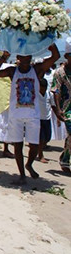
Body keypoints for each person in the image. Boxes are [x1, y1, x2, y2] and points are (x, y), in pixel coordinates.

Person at [0, 44, 60, 184]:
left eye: (28, 56)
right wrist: (4, 57)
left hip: (33, 114)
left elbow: (56, 57)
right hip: (15, 114)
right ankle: (22, 174)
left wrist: (49, 43)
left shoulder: (37, 69)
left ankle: (29, 164)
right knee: (18, 145)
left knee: (34, 144)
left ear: (30, 57)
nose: (25, 59)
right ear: (18, 57)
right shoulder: (12, 71)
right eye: (22, 56)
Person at [52, 37, 71, 173]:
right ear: (67, 56)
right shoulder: (60, 72)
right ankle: (65, 158)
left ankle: (65, 156)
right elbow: (56, 91)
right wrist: (58, 110)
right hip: (67, 108)